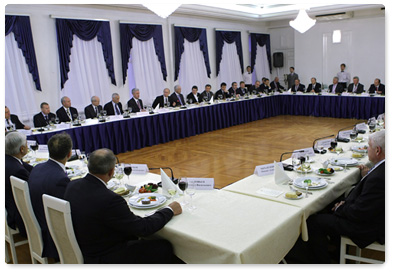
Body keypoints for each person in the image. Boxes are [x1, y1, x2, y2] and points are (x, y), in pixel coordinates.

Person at [64, 148, 182, 264]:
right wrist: (169, 210)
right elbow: (143, 228)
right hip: (103, 256)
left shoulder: (72, 186)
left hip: (86, 244)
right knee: (163, 247)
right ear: (111, 171)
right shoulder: (110, 199)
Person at [303, 130, 385, 263]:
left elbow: (361, 212)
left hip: (368, 227)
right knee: (332, 202)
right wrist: (343, 203)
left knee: (312, 222)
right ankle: (338, 252)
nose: (366, 149)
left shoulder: (379, 178)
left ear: (377, 151)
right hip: (372, 215)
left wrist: (340, 209)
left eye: (368, 146)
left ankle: (323, 263)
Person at [28, 133, 73, 260]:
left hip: (39, 219)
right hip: (53, 235)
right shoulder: (60, 180)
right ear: (69, 154)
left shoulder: (37, 168)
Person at [5, 131, 33, 238]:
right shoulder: (17, 171)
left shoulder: (8, 160)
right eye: (26, 144)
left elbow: (25, 166)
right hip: (19, 215)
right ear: (22, 149)